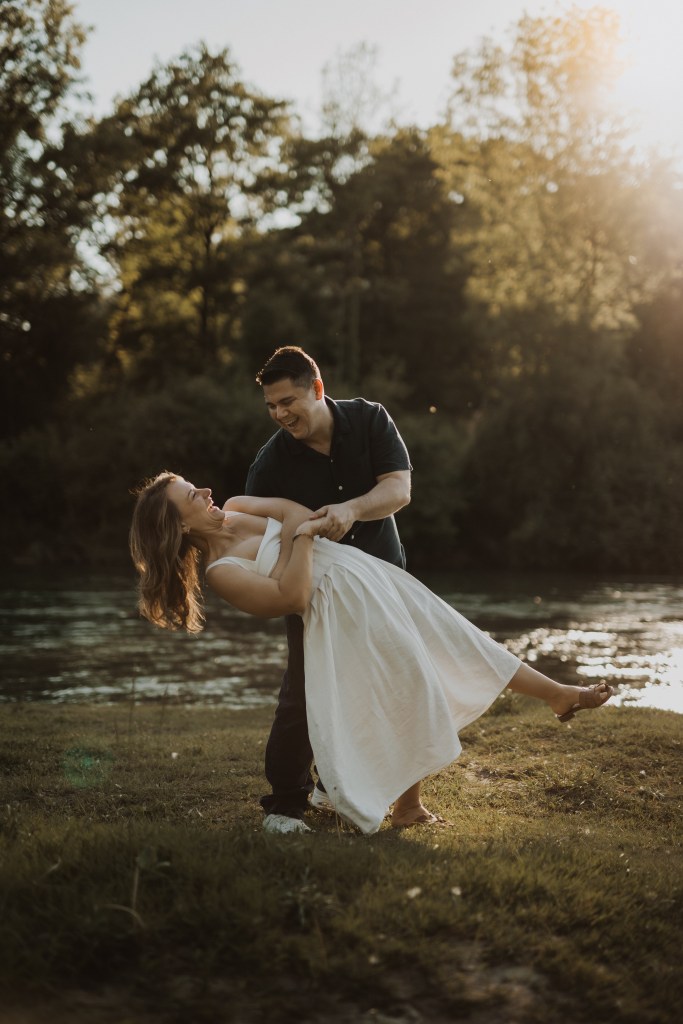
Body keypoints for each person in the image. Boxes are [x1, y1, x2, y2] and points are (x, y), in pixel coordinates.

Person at [129, 472, 615, 836]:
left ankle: (556, 694)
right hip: (343, 616)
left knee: (461, 639)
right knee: (410, 684)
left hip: (370, 577)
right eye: (194, 496)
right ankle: (402, 805)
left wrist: (297, 536)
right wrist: (299, 535)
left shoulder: (237, 507)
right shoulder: (222, 571)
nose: (208, 493)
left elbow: (296, 512)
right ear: (178, 524)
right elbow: (294, 596)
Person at [244, 346, 413, 832]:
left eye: (288, 402)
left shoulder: (370, 420)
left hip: (385, 577)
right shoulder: (270, 462)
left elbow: (399, 489)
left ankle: (332, 784)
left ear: (317, 389)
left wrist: (352, 510)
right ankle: (284, 804)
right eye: (271, 406)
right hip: (313, 589)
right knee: (304, 686)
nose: (280, 415)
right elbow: (255, 534)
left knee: (379, 683)